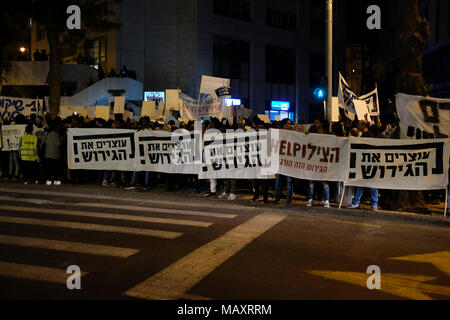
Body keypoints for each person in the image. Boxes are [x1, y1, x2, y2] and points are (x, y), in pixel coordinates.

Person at [43, 121, 62, 185]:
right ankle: (56, 180)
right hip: (55, 154)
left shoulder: (47, 134)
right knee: (55, 168)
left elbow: (44, 142)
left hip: (47, 154)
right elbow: (58, 144)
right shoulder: (57, 135)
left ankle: (48, 180)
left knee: (49, 168)